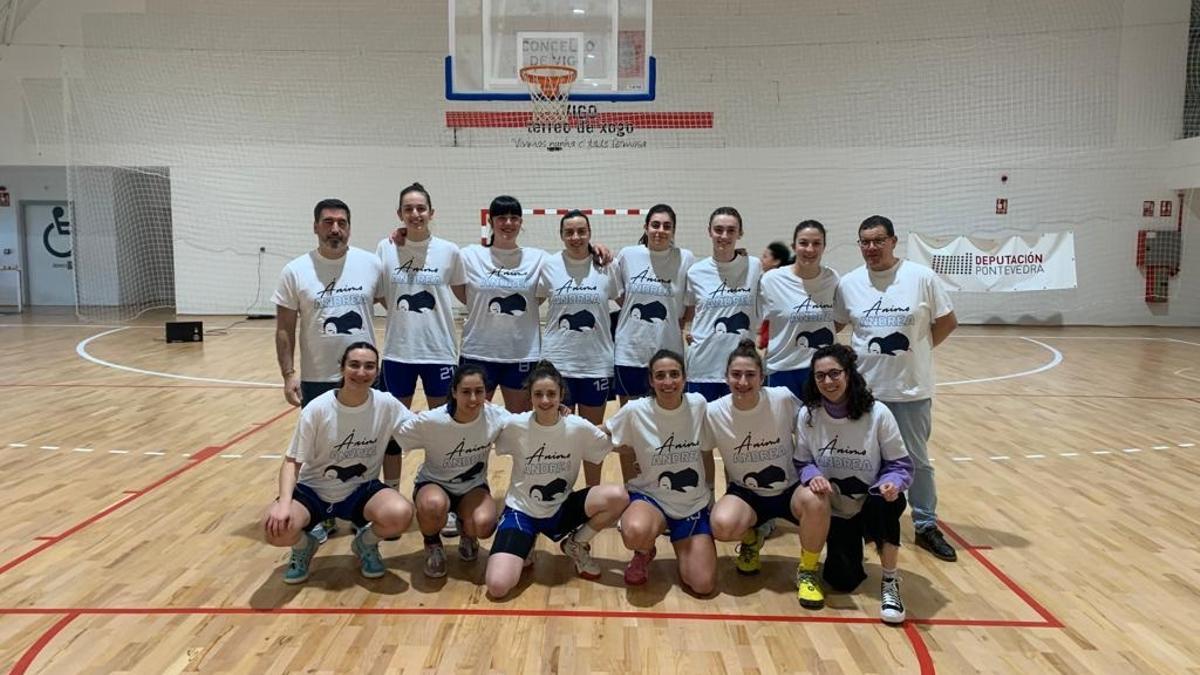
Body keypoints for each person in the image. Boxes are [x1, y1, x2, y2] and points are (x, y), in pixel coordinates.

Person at [834, 215, 959, 562]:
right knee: (863, 459)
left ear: (893, 241)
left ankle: (925, 524)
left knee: (915, 460)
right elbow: (836, 323)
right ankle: (865, 521)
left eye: (878, 241)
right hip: (865, 392)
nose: (871, 248)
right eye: (865, 242)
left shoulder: (921, 278)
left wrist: (919, 351)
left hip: (910, 391)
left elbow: (947, 321)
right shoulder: (850, 283)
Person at [273, 198, 385, 542]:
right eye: (328, 222)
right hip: (317, 376)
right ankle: (318, 513)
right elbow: (283, 328)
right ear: (316, 226)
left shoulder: (371, 264)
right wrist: (288, 374)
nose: (335, 229)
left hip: (364, 374)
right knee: (318, 450)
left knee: (366, 444)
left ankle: (363, 510)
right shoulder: (296, 270)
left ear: (349, 227)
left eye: (341, 222)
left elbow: (397, 302)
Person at [262, 342, 415, 583]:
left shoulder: (386, 404)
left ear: (377, 373)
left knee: (401, 513)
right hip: (313, 491)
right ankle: (304, 546)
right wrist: (284, 502)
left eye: (369, 366)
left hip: (360, 490)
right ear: (342, 368)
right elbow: (291, 461)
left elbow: (421, 428)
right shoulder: (318, 409)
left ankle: (365, 544)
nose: (361, 372)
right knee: (275, 528)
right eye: (354, 365)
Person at [485, 361, 629, 599]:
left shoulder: (577, 427)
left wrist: (650, 444)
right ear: (529, 396)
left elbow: (613, 445)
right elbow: (482, 411)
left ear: (562, 395)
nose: (544, 400)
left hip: (560, 509)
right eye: (538, 394)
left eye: (551, 394)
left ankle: (576, 543)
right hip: (522, 512)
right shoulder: (515, 425)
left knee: (617, 496)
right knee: (498, 586)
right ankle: (526, 541)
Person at [707, 340, 831, 609]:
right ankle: (751, 538)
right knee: (721, 525)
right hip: (747, 493)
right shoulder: (714, 412)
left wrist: (816, 470)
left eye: (750, 375)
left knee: (818, 500)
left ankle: (808, 571)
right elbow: (697, 448)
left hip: (789, 489)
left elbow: (812, 425)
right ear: (725, 377)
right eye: (736, 375)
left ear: (762, 377)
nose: (742, 381)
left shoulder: (782, 398)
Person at [794, 344, 913, 624]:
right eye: (820, 376)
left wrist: (891, 482)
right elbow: (801, 461)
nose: (827, 381)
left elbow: (901, 465)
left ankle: (890, 582)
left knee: (885, 501)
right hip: (836, 509)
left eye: (834, 373)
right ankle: (851, 552)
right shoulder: (808, 415)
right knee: (842, 581)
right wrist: (812, 475)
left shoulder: (878, 414)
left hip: (872, 502)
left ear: (849, 374)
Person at [606, 349, 716, 593]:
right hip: (651, 498)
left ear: (684, 378)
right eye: (661, 375)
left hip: (691, 503)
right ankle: (644, 550)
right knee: (635, 531)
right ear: (651, 380)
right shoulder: (636, 410)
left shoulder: (698, 405)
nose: (668, 382)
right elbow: (604, 434)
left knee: (703, 585)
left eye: (674, 374)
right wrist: (561, 421)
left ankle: (684, 544)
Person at [393, 365, 509, 578]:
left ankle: (467, 531)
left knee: (484, 524)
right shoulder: (432, 421)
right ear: (454, 392)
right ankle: (432, 543)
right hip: (434, 484)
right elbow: (395, 431)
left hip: (472, 487)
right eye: (466, 392)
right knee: (433, 506)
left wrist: (561, 412)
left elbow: (530, 425)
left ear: (486, 393)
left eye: (479, 391)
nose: (473, 398)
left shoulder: (496, 416)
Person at [537, 210, 620, 486]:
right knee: (559, 436)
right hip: (557, 365)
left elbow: (626, 302)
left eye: (581, 231)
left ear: (590, 233)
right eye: (569, 232)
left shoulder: (607, 266)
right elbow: (531, 303)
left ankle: (592, 494)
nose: (575, 237)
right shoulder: (548, 265)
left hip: (596, 363)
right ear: (561, 235)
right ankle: (558, 494)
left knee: (590, 435)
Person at [458, 196, 547, 414]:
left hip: (522, 353)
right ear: (490, 221)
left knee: (518, 424)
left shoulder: (538, 258)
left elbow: (571, 261)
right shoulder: (469, 255)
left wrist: (597, 249)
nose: (508, 223)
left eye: (514, 218)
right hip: (478, 352)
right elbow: (461, 291)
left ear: (521, 222)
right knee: (472, 419)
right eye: (501, 217)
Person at [612, 204, 695, 403]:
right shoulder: (628, 255)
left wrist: (678, 324)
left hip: (668, 352)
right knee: (630, 419)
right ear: (646, 227)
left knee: (667, 415)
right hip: (630, 351)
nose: (660, 231)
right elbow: (619, 294)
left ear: (673, 230)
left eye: (667, 226)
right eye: (655, 225)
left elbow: (690, 303)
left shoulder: (685, 258)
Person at [684, 206, 763, 402]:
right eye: (718, 229)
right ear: (709, 231)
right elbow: (689, 313)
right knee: (702, 429)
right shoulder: (695, 271)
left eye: (731, 230)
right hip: (703, 367)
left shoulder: (754, 266)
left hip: (741, 370)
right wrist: (690, 333)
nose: (724, 235)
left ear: (740, 233)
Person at [758, 220, 841, 399]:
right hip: (781, 369)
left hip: (821, 371)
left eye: (816, 243)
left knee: (819, 426)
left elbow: (838, 320)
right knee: (783, 427)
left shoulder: (832, 279)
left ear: (824, 246)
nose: (810, 249)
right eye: (803, 243)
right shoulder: (771, 280)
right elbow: (755, 322)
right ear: (794, 246)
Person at [757, 241, 793, 349]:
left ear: (776, 261)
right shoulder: (766, 278)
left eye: (765, 256)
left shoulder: (778, 281)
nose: (761, 260)